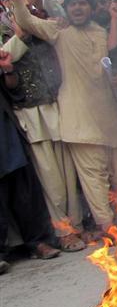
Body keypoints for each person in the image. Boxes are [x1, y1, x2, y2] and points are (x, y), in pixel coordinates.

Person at [5, 0, 117, 235]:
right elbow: (27, 22)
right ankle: (109, 230)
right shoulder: (58, 31)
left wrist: (115, 20)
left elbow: (113, 52)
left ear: (91, 9)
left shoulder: (100, 31)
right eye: (73, 5)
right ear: (66, 9)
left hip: (111, 119)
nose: (78, 8)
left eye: (83, 4)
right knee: (95, 184)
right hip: (81, 125)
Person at [0, 52, 60, 267]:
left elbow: (13, 88)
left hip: (6, 136)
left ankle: (38, 243)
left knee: (24, 193)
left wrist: (7, 69)